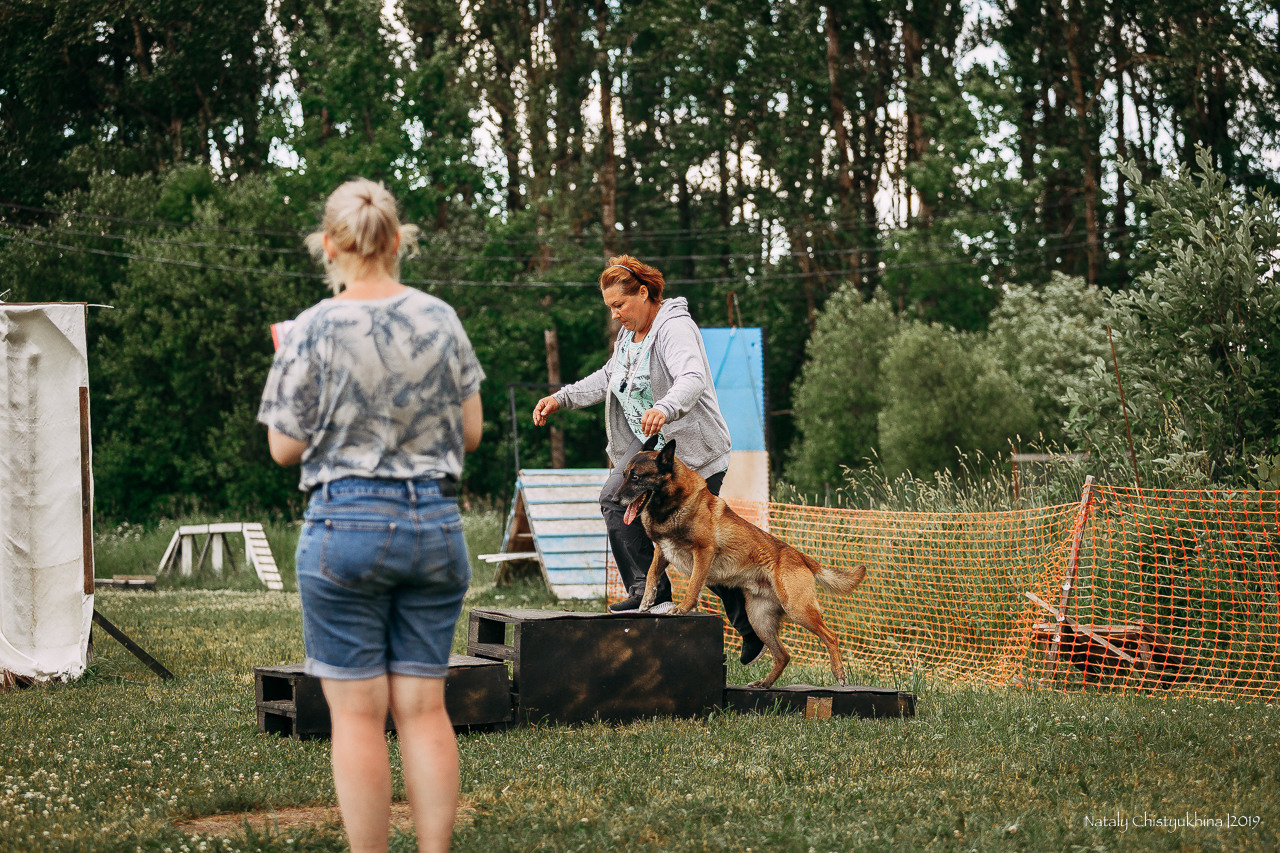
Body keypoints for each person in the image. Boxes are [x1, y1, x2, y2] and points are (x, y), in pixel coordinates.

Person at [258, 178, 483, 853]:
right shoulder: (441, 317)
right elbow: (469, 432)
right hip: (434, 527)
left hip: (345, 526)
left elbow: (283, 447)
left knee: (357, 717)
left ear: (329, 245)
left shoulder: (313, 326)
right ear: (396, 241)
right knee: (423, 708)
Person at [531, 255, 764, 665]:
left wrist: (667, 407)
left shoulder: (673, 329)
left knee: (694, 545)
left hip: (693, 459)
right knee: (614, 499)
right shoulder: (628, 339)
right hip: (649, 460)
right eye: (609, 308)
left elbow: (690, 378)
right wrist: (561, 397)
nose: (615, 314)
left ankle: (749, 625)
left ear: (644, 293)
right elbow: (607, 378)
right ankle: (646, 591)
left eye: (619, 305)